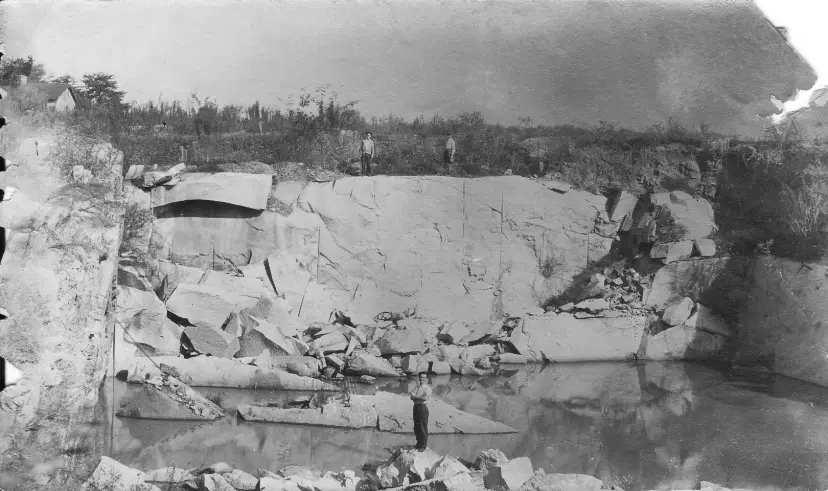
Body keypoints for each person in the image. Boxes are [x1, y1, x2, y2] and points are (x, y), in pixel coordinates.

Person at [409, 372, 432, 451]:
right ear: (419, 378)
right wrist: (418, 397)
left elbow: (425, 398)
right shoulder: (417, 387)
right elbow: (411, 397)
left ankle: (423, 445)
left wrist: (416, 397)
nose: (422, 379)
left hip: (423, 408)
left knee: (422, 426)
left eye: (423, 377)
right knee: (416, 426)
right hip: (416, 407)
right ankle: (418, 443)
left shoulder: (427, 388)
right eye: (421, 377)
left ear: (426, 379)